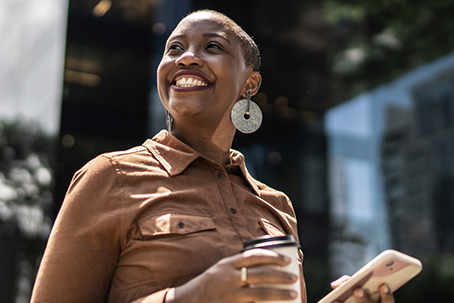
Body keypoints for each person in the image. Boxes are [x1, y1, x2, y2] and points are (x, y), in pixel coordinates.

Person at [31, 10, 395, 303]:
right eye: (174, 48)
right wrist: (190, 296)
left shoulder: (277, 206)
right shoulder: (111, 177)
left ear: (249, 84)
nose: (187, 57)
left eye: (212, 47)